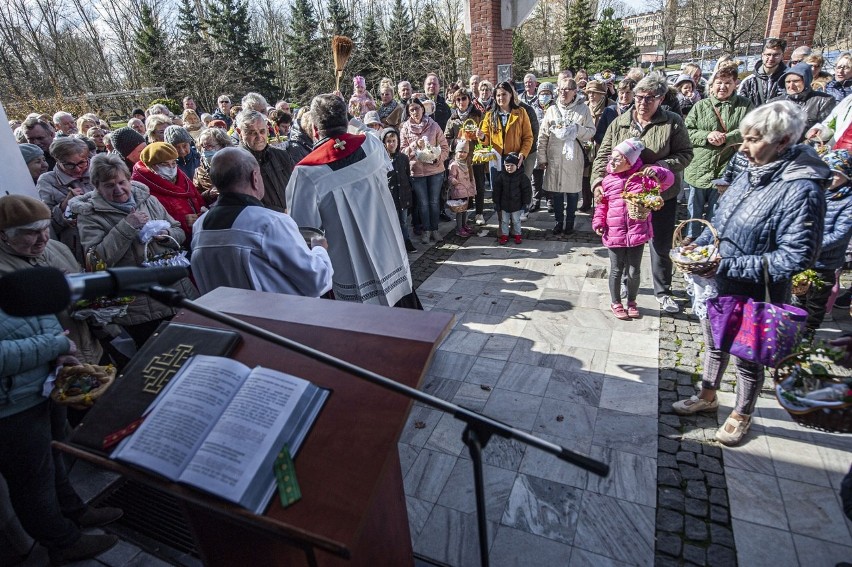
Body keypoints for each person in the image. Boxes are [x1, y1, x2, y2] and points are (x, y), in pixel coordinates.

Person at [672, 101, 830, 446]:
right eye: (743, 138)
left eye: (753, 139)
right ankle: (708, 394)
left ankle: (742, 412)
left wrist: (726, 265)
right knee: (714, 345)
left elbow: (797, 256)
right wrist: (698, 243)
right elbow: (721, 218)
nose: (742, 147)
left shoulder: (801, 188)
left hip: (758, 291)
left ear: (783, 141)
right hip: (719, 280)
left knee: (747, 354)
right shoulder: (751, 168)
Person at [0, 307, 121, 565]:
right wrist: (54, 344)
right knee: (33, 480)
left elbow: (38, 309)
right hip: (11, 405)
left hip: (44, 384)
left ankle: (74, 510)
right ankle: (63, 542)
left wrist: (62, 353)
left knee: (54, 457)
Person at [285, 94, 419, 308]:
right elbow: (366, 131)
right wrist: (351, 118)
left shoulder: (306, 173)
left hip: (349, 271)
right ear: (346, 122)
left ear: (314, 129)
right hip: (390, 258)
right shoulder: (372, 146)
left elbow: (304, 233)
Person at [70, 154, 198, 347]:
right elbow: (96, 260)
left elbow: (178, 231)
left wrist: (166, 234)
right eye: (109, 185)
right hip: (141, 308)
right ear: (96, 186)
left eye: (122, 182)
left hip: (177, 292)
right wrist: (127, 227)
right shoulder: (90, 215)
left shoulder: (148, 199)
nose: (119, 189)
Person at [592, 74, 694, 314]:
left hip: (659, 196)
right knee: (628, 243)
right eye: (639, 97)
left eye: (649, 98)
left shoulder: (672, 122)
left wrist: (663, 166)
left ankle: (663, 291)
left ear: (660, 99)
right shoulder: (620, 122)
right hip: (624, 198)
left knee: (660, 244)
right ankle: (627, 289)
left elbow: (685, 154)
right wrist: (597, 183)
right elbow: (604, 154)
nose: (642, 102)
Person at [190, 147, 333, 297]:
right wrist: (319, 249)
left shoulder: (200, 226)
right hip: (276, 317)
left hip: (225, 318)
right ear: (255, 177)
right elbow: (317, 281)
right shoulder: (269, 223)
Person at [0, 195, 103, 365]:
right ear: (4, 235)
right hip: (55, 366)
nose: (43, 239)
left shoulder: (58, 249)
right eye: (32, 232)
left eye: (45, 228)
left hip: (93, 350)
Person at [593, 139, 674, 320]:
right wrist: (598, 222)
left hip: (638, 231)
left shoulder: (642, 179)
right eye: (610, 158)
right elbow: (601, 206)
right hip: (614, 231)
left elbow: (668, 180)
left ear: (628, 162)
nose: (611, 162)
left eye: (616, 159)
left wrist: (658, 171)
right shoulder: (607, 181)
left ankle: (632, 301)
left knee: (634, 270)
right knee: (616, 269)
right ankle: (616, 302)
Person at [683, 61, 753, 240]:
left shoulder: (744, 105)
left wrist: (727, 138)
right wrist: (707, 135)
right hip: (699, 166)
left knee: (718, 208)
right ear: (712, 85)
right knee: (694, 208)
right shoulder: (701, 106)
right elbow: (687, 131)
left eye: (728, 82)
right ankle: (692, 238)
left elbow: (751, 129)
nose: (723, 87)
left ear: (735, 84)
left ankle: (711, 240)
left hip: (727, 166)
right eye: (719, 83)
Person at [792, 149, 852, 335]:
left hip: (826, 261)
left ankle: (807, 334)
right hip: (804, 257)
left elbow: (841, 234)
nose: (832, 178)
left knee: (816, 303)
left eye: (837, 174)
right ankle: (793, 332)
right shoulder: (817, 191)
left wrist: (812, 243)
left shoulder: (848, 201)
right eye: (829, 172)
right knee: (798, 297)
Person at [536, 78, 595, 235]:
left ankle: (569, 222)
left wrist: (577, 129)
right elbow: (543, 136)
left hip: (573, 158)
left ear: (575, 91)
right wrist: (541, 158)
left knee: (572, 192)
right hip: (554, 156)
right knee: (555, 191)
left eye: (567, 89)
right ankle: (558, 221)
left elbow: (591, 131)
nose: (563, 92)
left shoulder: (583, 110)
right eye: (561, 89)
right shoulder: (552, 110)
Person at [400, 97, 450, 245]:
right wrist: (414, 145)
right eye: (412, 110)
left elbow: (445, 147)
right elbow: (402, 152)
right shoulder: (405, 129)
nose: (415, 112)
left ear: (423, 109)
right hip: (417, 172)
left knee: (434, 202)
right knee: (423, 203)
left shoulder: (433, 126)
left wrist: (438, 158)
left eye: (417, 108)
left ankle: (435, 229)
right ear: (408, 113)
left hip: (435, 170)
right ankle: (426, 230)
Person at [131, 142, 206, 241]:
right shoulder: (142, 187)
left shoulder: (181, 177)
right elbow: (150, 217)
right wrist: (182, 220)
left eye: (174, 163)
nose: (171, 168)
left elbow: (196, 196)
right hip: (172, 241)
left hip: (197, 233)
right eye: (165, 164)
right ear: (151, 166)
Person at [37, 136, 95, 262]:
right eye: (70, 165)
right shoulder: (48, 181)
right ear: (57, 161)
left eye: (82, 162)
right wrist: (64, 205)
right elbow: (45, 222)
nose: (78, 169)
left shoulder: (98, 170)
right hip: (76, 245)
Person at [445, 88, 485, 221]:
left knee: (478, 184)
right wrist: (455, 141)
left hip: (475, 156)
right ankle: (464, 214)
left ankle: (479, 213)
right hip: (460, 159)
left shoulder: (477, 114)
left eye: (464, 98)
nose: (461, 102)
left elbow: (487, 135)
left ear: (469, 99)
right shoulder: (452, 118)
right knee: (462, 186)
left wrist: (481, 136)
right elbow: (446, 139)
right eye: (458, 99)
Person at [770, 62, 836, 138]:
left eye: (796, 81)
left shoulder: (824, 101)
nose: (791, 85)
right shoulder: (775, 103)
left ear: (806, 81)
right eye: (788, 82)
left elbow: (825, 129)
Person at [382, 127, 416, 252]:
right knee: (392, 222)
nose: (391, 144)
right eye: (389, 141)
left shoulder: (403, 158)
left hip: (403, 195)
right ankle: (395, 244)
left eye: (394, 141)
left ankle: (406, 241)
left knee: (403, 221)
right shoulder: (382, 160)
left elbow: (407, 174)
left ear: (398, 141)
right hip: (391, 196)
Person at [492, 152, 531, 245]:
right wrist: (496, 202)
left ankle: (518, 235)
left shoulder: (522, 177)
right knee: (504, 221)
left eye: (512, 165)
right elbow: (497, 191)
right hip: (504, 204)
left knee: (516, 221)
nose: (509, 167)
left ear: (517, 165)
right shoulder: (501, 176)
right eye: (507, 165)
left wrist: (526, 203)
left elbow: (526, 191)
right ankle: (504, 235)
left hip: (516, 204)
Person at [738, 37, 788, 107]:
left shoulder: (788, 80)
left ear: (782, 56)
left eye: (776, 55)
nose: (771, 58)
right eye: (768, 54)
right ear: (762, 55)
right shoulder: (749, 81)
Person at [531, 82, 556, 212]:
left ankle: (550, 201)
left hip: (551, 145)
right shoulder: (533, 107)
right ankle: (536, 201)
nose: (544, 96)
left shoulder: (556, 108)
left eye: (547, 93)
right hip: (537, 144)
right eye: (542, 93)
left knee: (550, 175)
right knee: (536, 176)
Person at [194, 127, 235, 204]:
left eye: (210, 146)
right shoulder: (199, 171)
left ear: (222, 145)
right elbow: (196, 196)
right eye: (203, 146)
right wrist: (209, 194)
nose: (205, 150)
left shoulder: (236, 164)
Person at [447, 139, 476, 237]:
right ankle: (459, 229)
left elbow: (471, 178)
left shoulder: (467, 163)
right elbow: (450, 176)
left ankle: (464, 225)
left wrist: (472, 188)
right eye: (460, 152)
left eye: (465, 152)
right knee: (460, 211)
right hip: (458, 191)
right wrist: (452, 180)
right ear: (456, 152)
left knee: (465, 210)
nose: (462, 154)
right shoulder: (454, 164)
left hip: (466, 191)